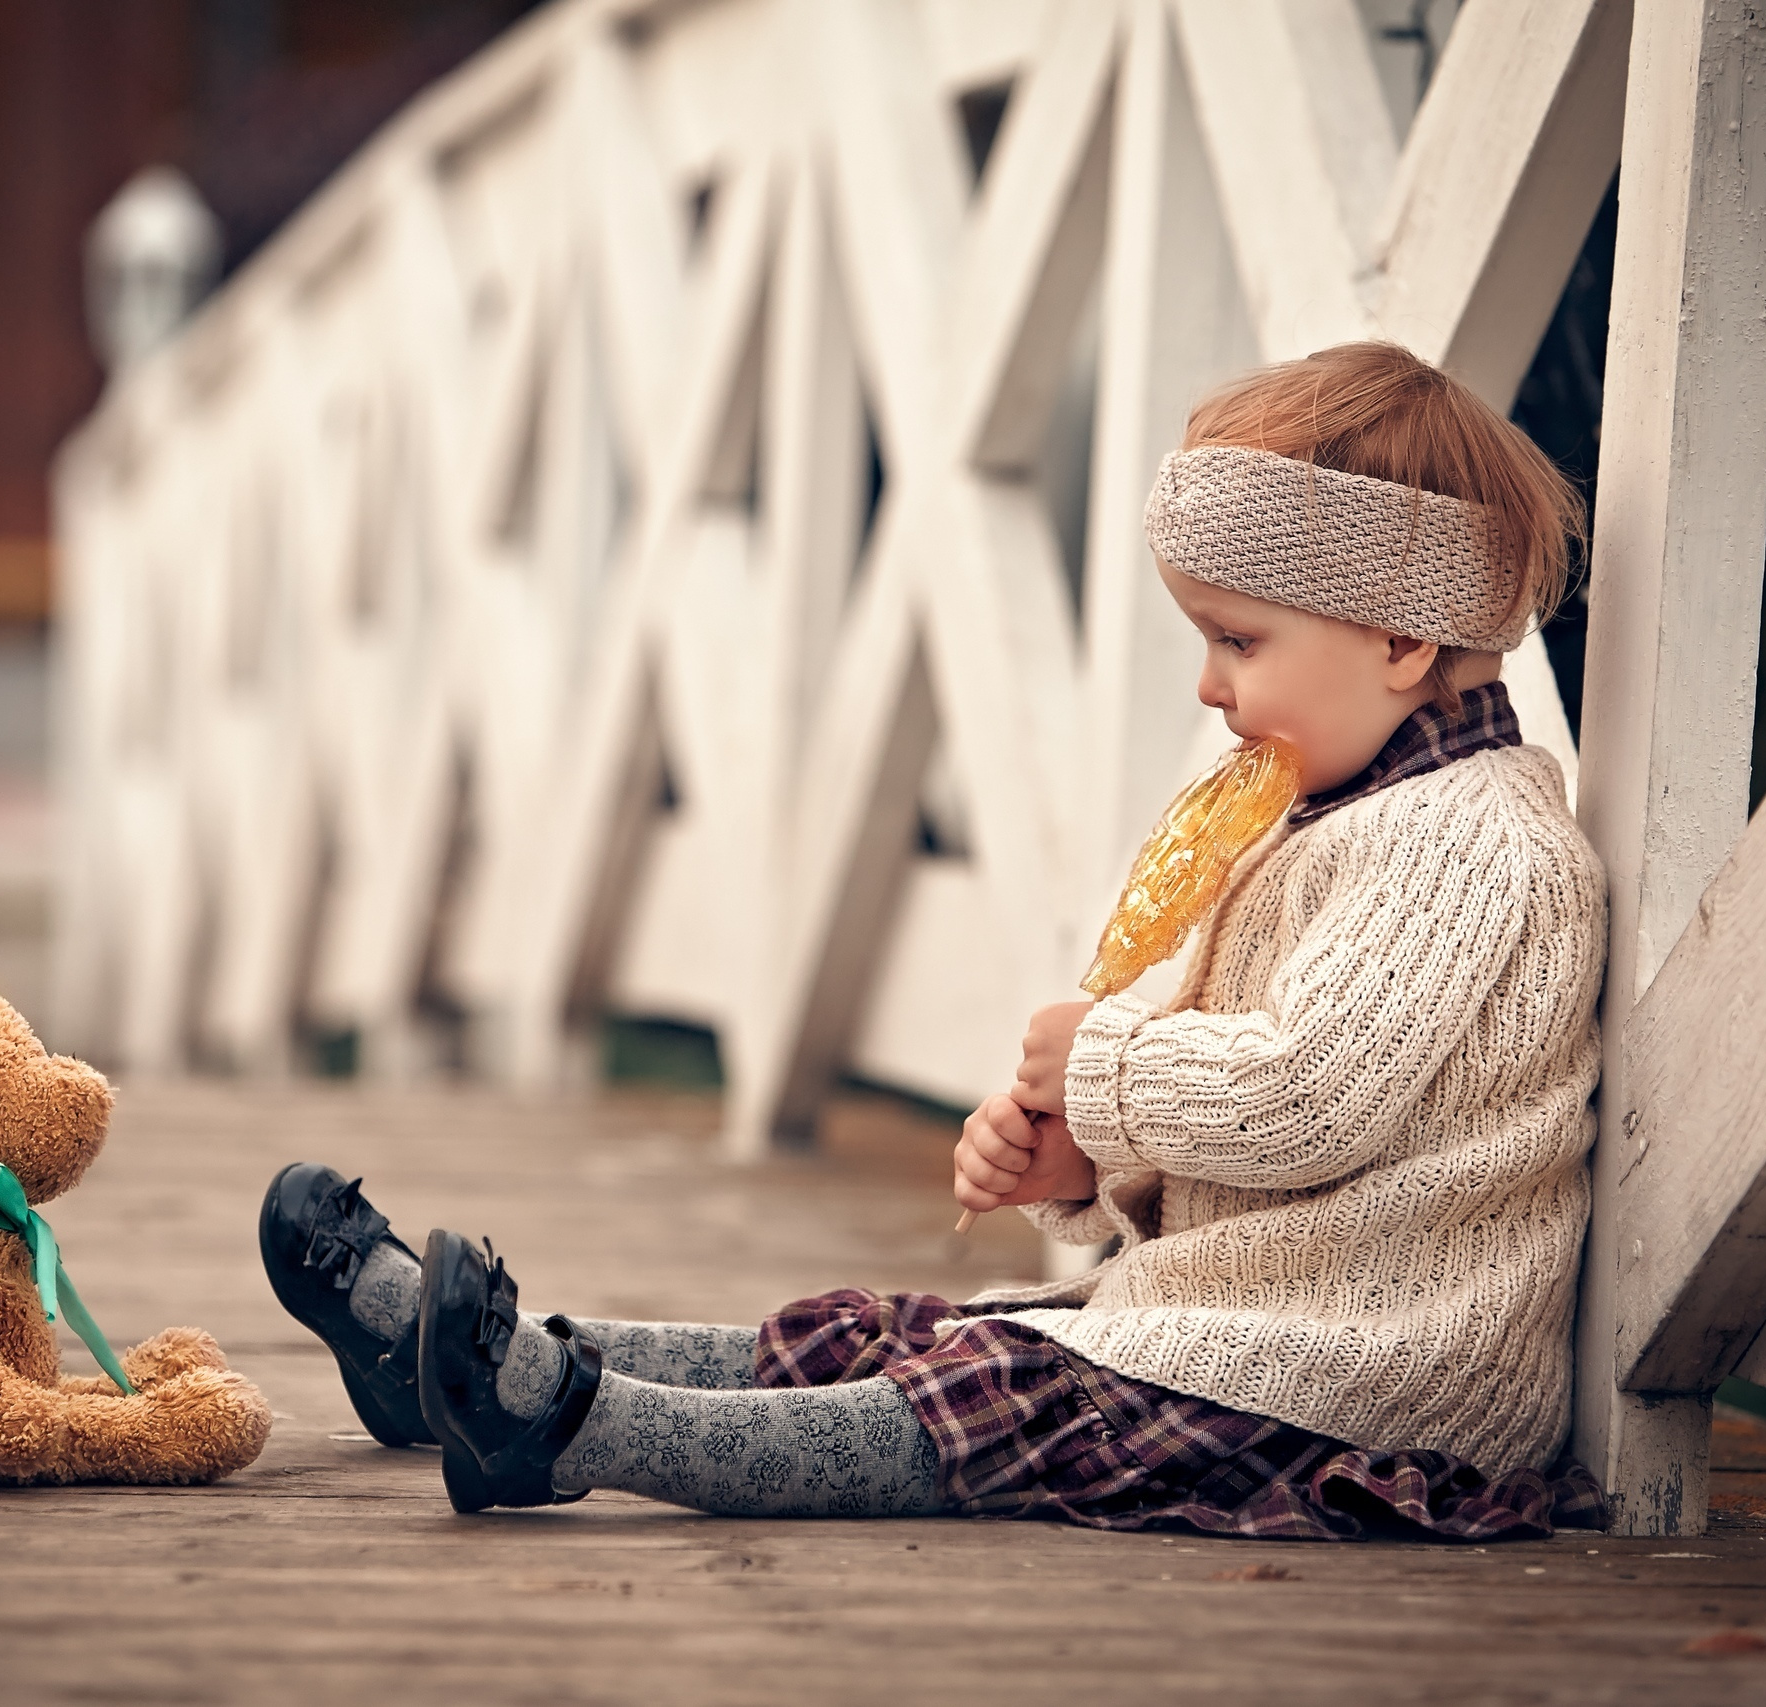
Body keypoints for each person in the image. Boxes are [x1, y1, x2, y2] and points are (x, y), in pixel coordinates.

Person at [259, 341, 1610, 1540]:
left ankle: (556, 1427)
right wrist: (1090, 1164)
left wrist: (1106, 1071)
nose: (1209, 687)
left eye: (1237, 641)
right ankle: (455, 1361)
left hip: (1377, 1392)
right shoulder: (1339, 816)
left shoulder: (1470, 844)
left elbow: (1311, 1100)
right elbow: (1285, 1142)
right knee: (888, 1336)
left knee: (980, 1393)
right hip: (1247, 1333)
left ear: (1396, 634)